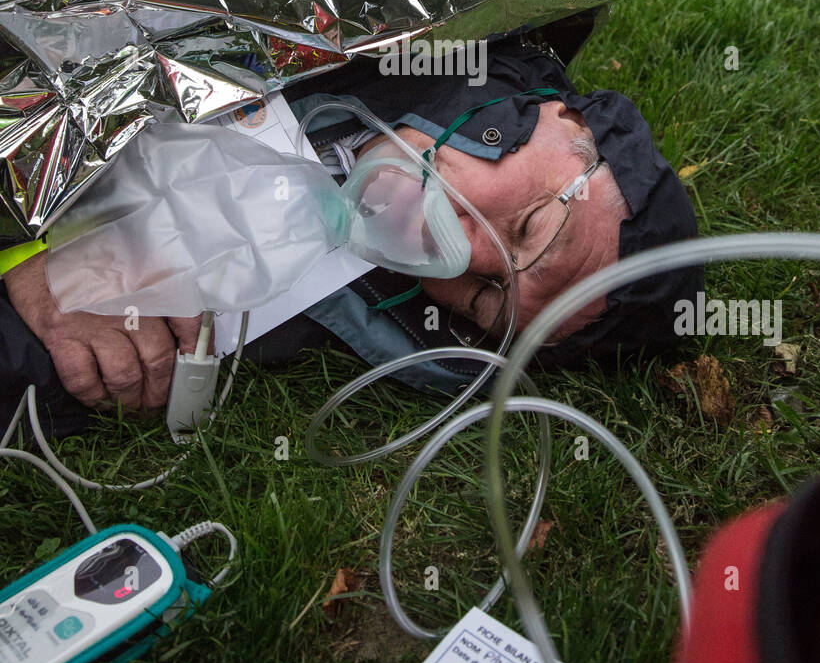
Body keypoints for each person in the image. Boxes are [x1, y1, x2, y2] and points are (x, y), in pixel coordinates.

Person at [0, 28, 702, 431]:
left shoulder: (276, 310)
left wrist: (53, 269)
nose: (460, 255)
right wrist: (30, 227)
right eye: (528, 228)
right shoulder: (398, 4)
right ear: (563, 120)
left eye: (490, 298)